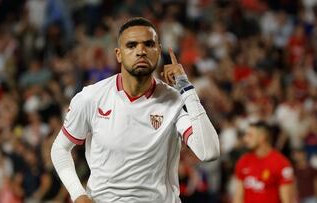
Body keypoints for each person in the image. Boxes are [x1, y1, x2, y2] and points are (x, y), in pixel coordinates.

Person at [50, 17, 220, 203]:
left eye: (149, 44)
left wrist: (186, 88)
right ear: (119, 54)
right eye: (131, 45)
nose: (141, 51)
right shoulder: (91, 98)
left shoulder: (174, 100)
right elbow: (60, 149)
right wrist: (78, 194)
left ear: (159, 51)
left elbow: (209, 151)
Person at [233, 121, 295, 203]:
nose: (245, 139)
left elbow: (287, 200)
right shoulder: (243, 161)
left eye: (250, 135)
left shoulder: (281, 163)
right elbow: (238, 196)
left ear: (262, 137)